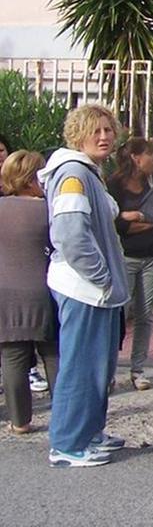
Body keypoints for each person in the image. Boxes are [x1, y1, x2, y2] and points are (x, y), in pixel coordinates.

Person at [39, 104, 130, 467]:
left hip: (94, 290)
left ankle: (89, 431)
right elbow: (71, 235)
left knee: (97, 367)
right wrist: (102, 277)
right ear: (77, 134)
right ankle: (67, 443)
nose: (105, 136)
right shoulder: (74, 174)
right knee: (81, 367)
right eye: (96, 130)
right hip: (84, 289)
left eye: (108, 130)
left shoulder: (89, 173)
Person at [0, 150, 59, 435]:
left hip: (4, 293)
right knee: (54, 355)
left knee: (13, 358)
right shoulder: (46, 209)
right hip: (44, 288)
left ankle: (20, 420)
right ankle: (63, 416)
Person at [106, 138, 153, 391]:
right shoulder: (114, 185)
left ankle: (138, 369)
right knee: (120, 315)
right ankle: (109, 370)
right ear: (135, 157)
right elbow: (115, 224)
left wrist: (139, 219)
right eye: (150, 153)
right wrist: (133, 220)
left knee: (146, 315)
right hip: (126, 256)